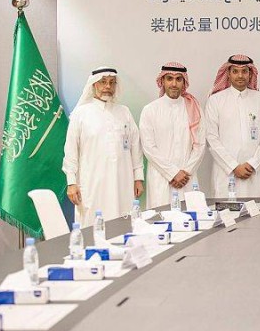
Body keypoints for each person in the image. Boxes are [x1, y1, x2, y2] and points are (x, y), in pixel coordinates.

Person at [62, 67, 144, 225]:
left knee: (123, 222)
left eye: (112, 83)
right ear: (94, 84)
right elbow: (71, 150)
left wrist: (138, 178)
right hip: (92, 183)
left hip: (122, 182)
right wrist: (71, 182)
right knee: (92, 224)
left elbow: (135, 146)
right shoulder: (81, 114)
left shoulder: (124, 112)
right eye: (103, 82)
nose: (108, 86)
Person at [139, 62, 206, 208]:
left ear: (184, 82)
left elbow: (200, 145)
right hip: (161, 178)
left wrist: (186, 172)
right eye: (169, 79)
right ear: (162, 81)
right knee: (161, 218)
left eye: (178, 79)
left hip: (187, 179)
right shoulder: (150, 110)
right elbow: (149, 147)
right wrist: (173, 173)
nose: (174, 84)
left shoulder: (194, 108)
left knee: (190, 217)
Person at [205, 55, 260, 198]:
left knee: (256, 211)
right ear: (228, 74)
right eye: (235, 71)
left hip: (253, 173)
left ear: (250, 74)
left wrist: (253, 163)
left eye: (244, 71)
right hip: (225, 173)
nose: (240, 75)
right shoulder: (215, 100)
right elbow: (211, 138)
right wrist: (233, 166)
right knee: (226, 210)